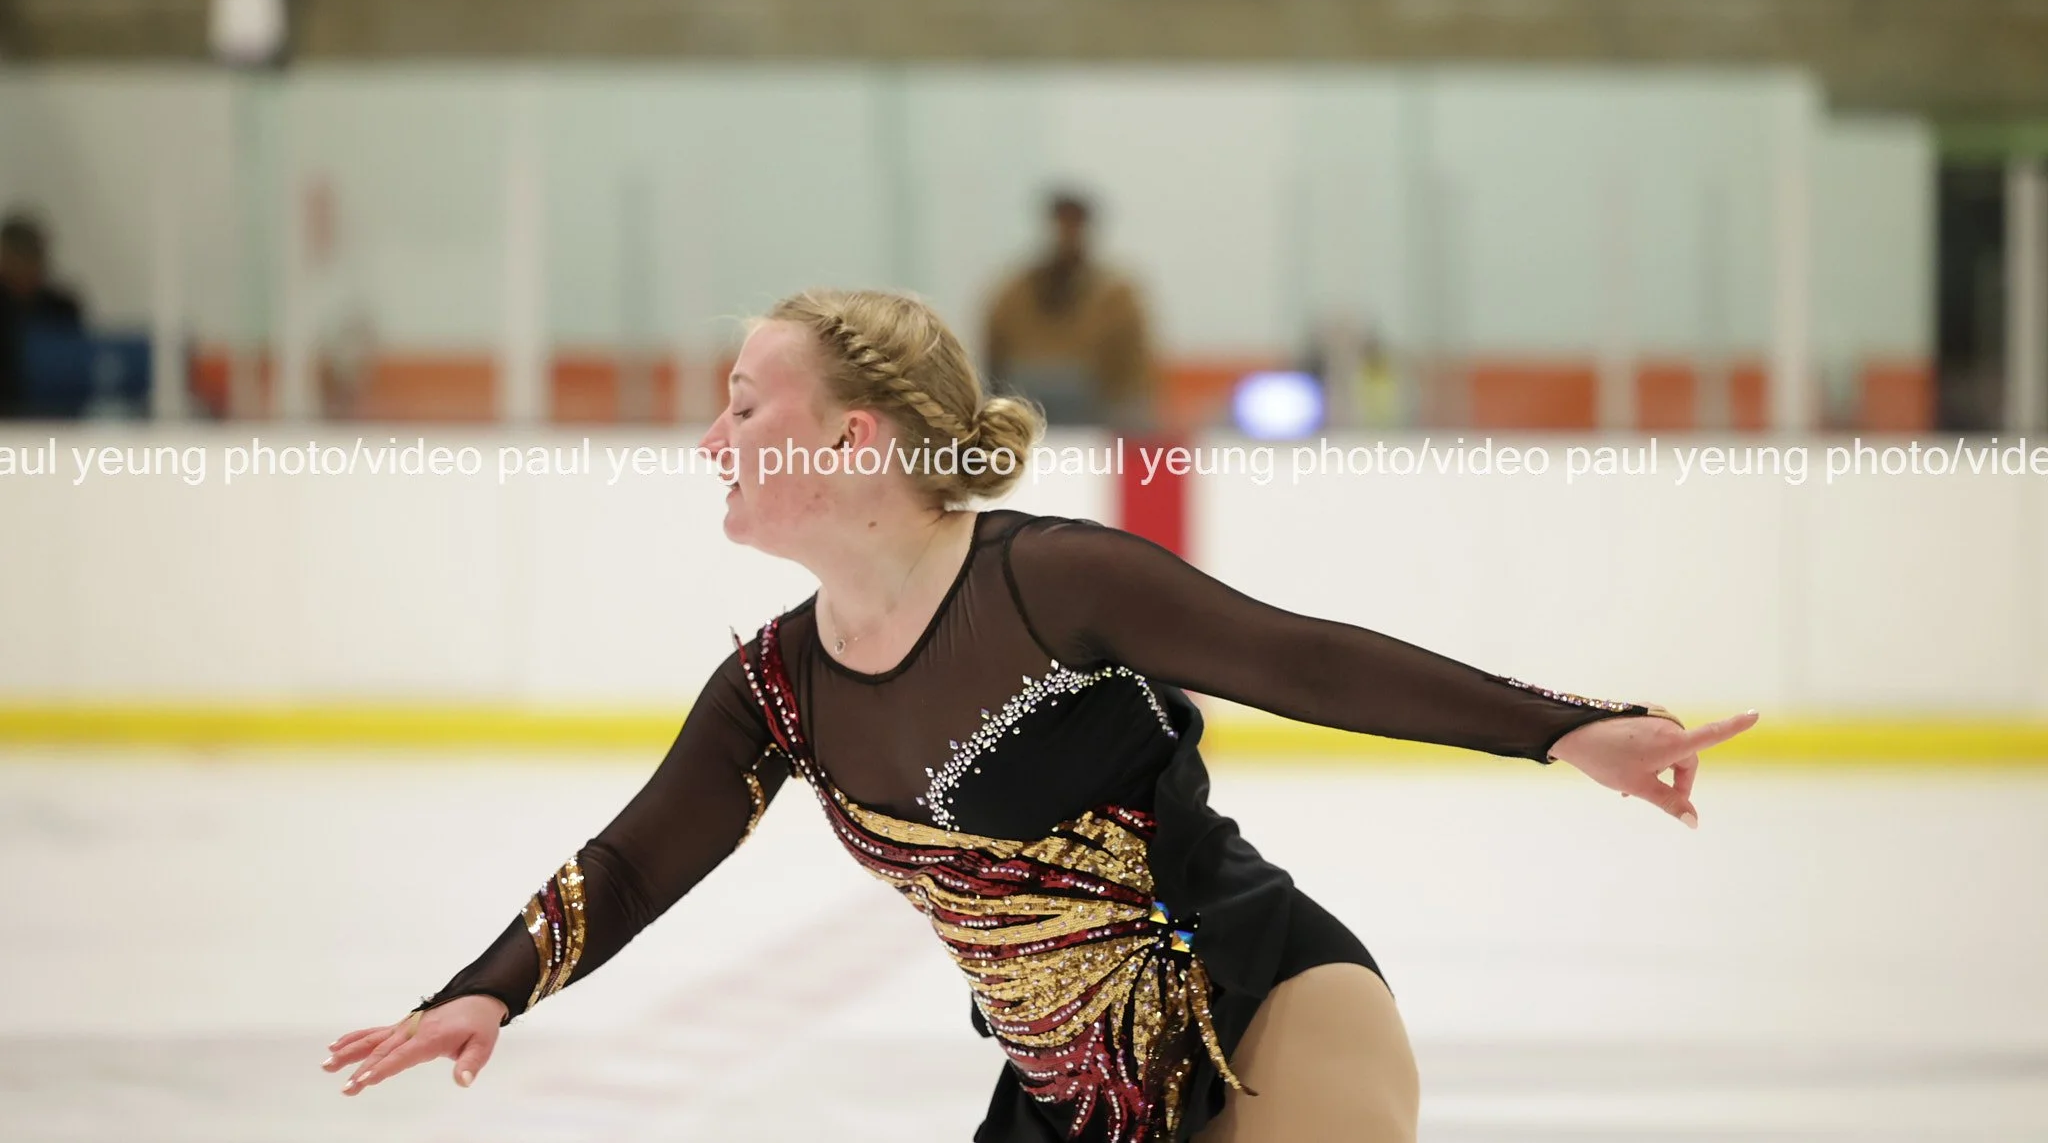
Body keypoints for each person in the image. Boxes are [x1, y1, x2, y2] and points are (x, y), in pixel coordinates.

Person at [324, 287, 1758, 1141]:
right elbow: (636, 861)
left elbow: (1302, 663)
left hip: (1262, 1011)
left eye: (744, 407)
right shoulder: (776, 689)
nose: (712, 439)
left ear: (853, 438)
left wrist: (1569, 728)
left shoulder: (1049, 585)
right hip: (1069, 1106)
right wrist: (489, 985)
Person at [984, 189, 1158, 428]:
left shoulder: (1117, 297)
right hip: (1025, 415)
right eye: (1062, 224)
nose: (1067, 234)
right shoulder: (1015, 293)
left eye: (1074, 224)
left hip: (1100, 417)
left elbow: (1134, 373)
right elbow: (995, 358)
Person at [0, 209, 87, 418]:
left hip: (57, 416)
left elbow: (77, 364)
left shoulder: (62, 307)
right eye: (17, 258)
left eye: (30, 258)